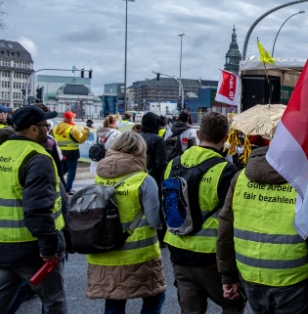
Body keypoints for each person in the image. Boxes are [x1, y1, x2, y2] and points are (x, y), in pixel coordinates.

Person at [218, 146, 308, 314]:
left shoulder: (240, 178)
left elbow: (225, 228)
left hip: (251, 275)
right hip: (292, 279)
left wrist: (227, 275)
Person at [164, 112, 241, 314]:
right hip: (210, 255)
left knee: (190, 310)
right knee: (233, 303)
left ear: (198, 133)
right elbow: (231, 219)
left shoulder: (174, 164)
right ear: (225, 138)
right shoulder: (226, 170)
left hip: (177, 248)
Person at [86, 132, 166, 313]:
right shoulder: (144, 180)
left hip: (105, 252)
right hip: (140, 255)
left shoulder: (100, 175)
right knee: (155, 297)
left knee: (114, 301)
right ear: (140, 152)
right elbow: (154, 221)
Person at [0, 105, 67, 313]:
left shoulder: (3, 151)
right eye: (46, 125)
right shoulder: (38, 158)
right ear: (34, 129)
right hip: (32, 247)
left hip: (4, 245)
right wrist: (48, 247)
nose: (49, 129)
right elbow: (38, 208)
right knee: (54, 303)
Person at [52, 110, 89, 194]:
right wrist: (86, 131)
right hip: (71, 153)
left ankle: (56, 184)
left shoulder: (56, 128)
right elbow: (80, 140)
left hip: (60, 152)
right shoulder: (72, 129)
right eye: (73, 117)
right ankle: (68, 189)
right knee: (71, 171)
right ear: (70, 119)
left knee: (62, 169)